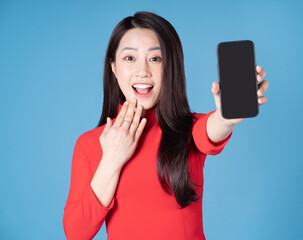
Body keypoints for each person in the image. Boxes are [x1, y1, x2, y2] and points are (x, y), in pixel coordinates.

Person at [63, 11, 269, 240]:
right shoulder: (90, 144)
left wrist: (226, 117)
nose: (143, 71)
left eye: (155, 58)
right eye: (130, 58)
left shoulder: (187, 129)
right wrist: (111, 160)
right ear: (113, 66)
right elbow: (76, 233)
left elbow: (212, 129)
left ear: (171, 66)